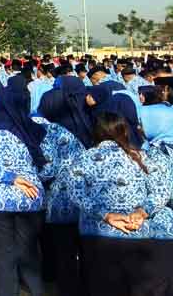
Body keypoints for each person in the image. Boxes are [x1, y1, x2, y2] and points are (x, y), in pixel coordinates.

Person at [73, 111, 170, 296]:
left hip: (97, 233)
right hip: (138, 232)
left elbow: (75, 191)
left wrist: (106, 215)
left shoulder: (85, 157)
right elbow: (162, 190)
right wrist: (142, 212)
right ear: (124, 131)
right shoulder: (140, 156)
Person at [0, 76, 46, 296]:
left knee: (3, 257)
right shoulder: (36, 129)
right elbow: (49, 166)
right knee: (29, 254)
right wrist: (28, 177)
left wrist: (8, 177)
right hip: (30, 198)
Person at [35, 77, 93, 296]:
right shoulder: (84, 123)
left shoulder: (52, 132)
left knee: (64, 255)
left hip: (61, 203)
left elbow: (48, 169)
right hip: (87, 201)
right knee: (85, 253)